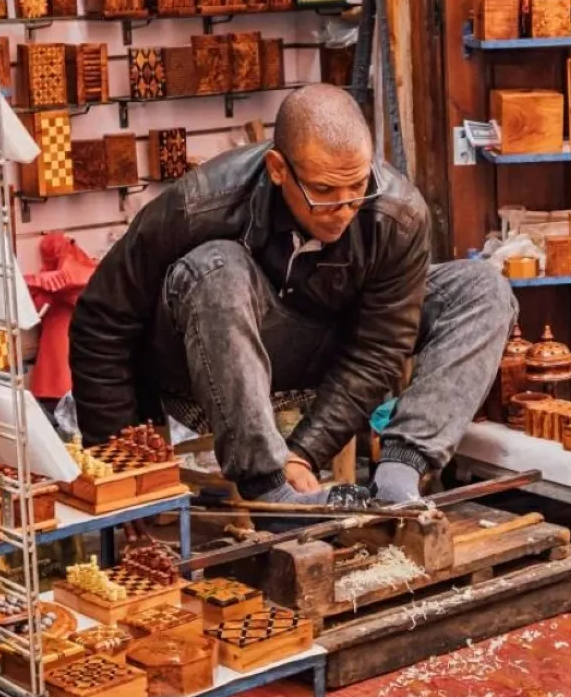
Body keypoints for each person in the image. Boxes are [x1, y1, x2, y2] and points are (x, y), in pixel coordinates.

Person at [68, 84, 517, 509]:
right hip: (205, 358)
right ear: (278, 169)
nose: (342, 210)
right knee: (218, 265)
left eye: (357, 188)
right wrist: (123, 473)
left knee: (483, 288)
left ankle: (399, 476)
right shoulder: (200, 204)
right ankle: (268, 488)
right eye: (323, 192)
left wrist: (305, 451)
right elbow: (100, 323)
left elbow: (380, 348)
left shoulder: (396, 215)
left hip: (322, 341)